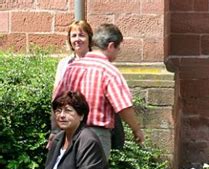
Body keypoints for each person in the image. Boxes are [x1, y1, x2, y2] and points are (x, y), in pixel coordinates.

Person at [53, 23, 144, 158]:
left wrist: (56, 131)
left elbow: (57, 101)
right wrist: (136, 129)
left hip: (71, 132)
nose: (118, 53)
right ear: (111, 46)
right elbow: (123, 106)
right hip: (96, 135)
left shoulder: (71, 67)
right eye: (118, 49)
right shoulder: (108, 70)